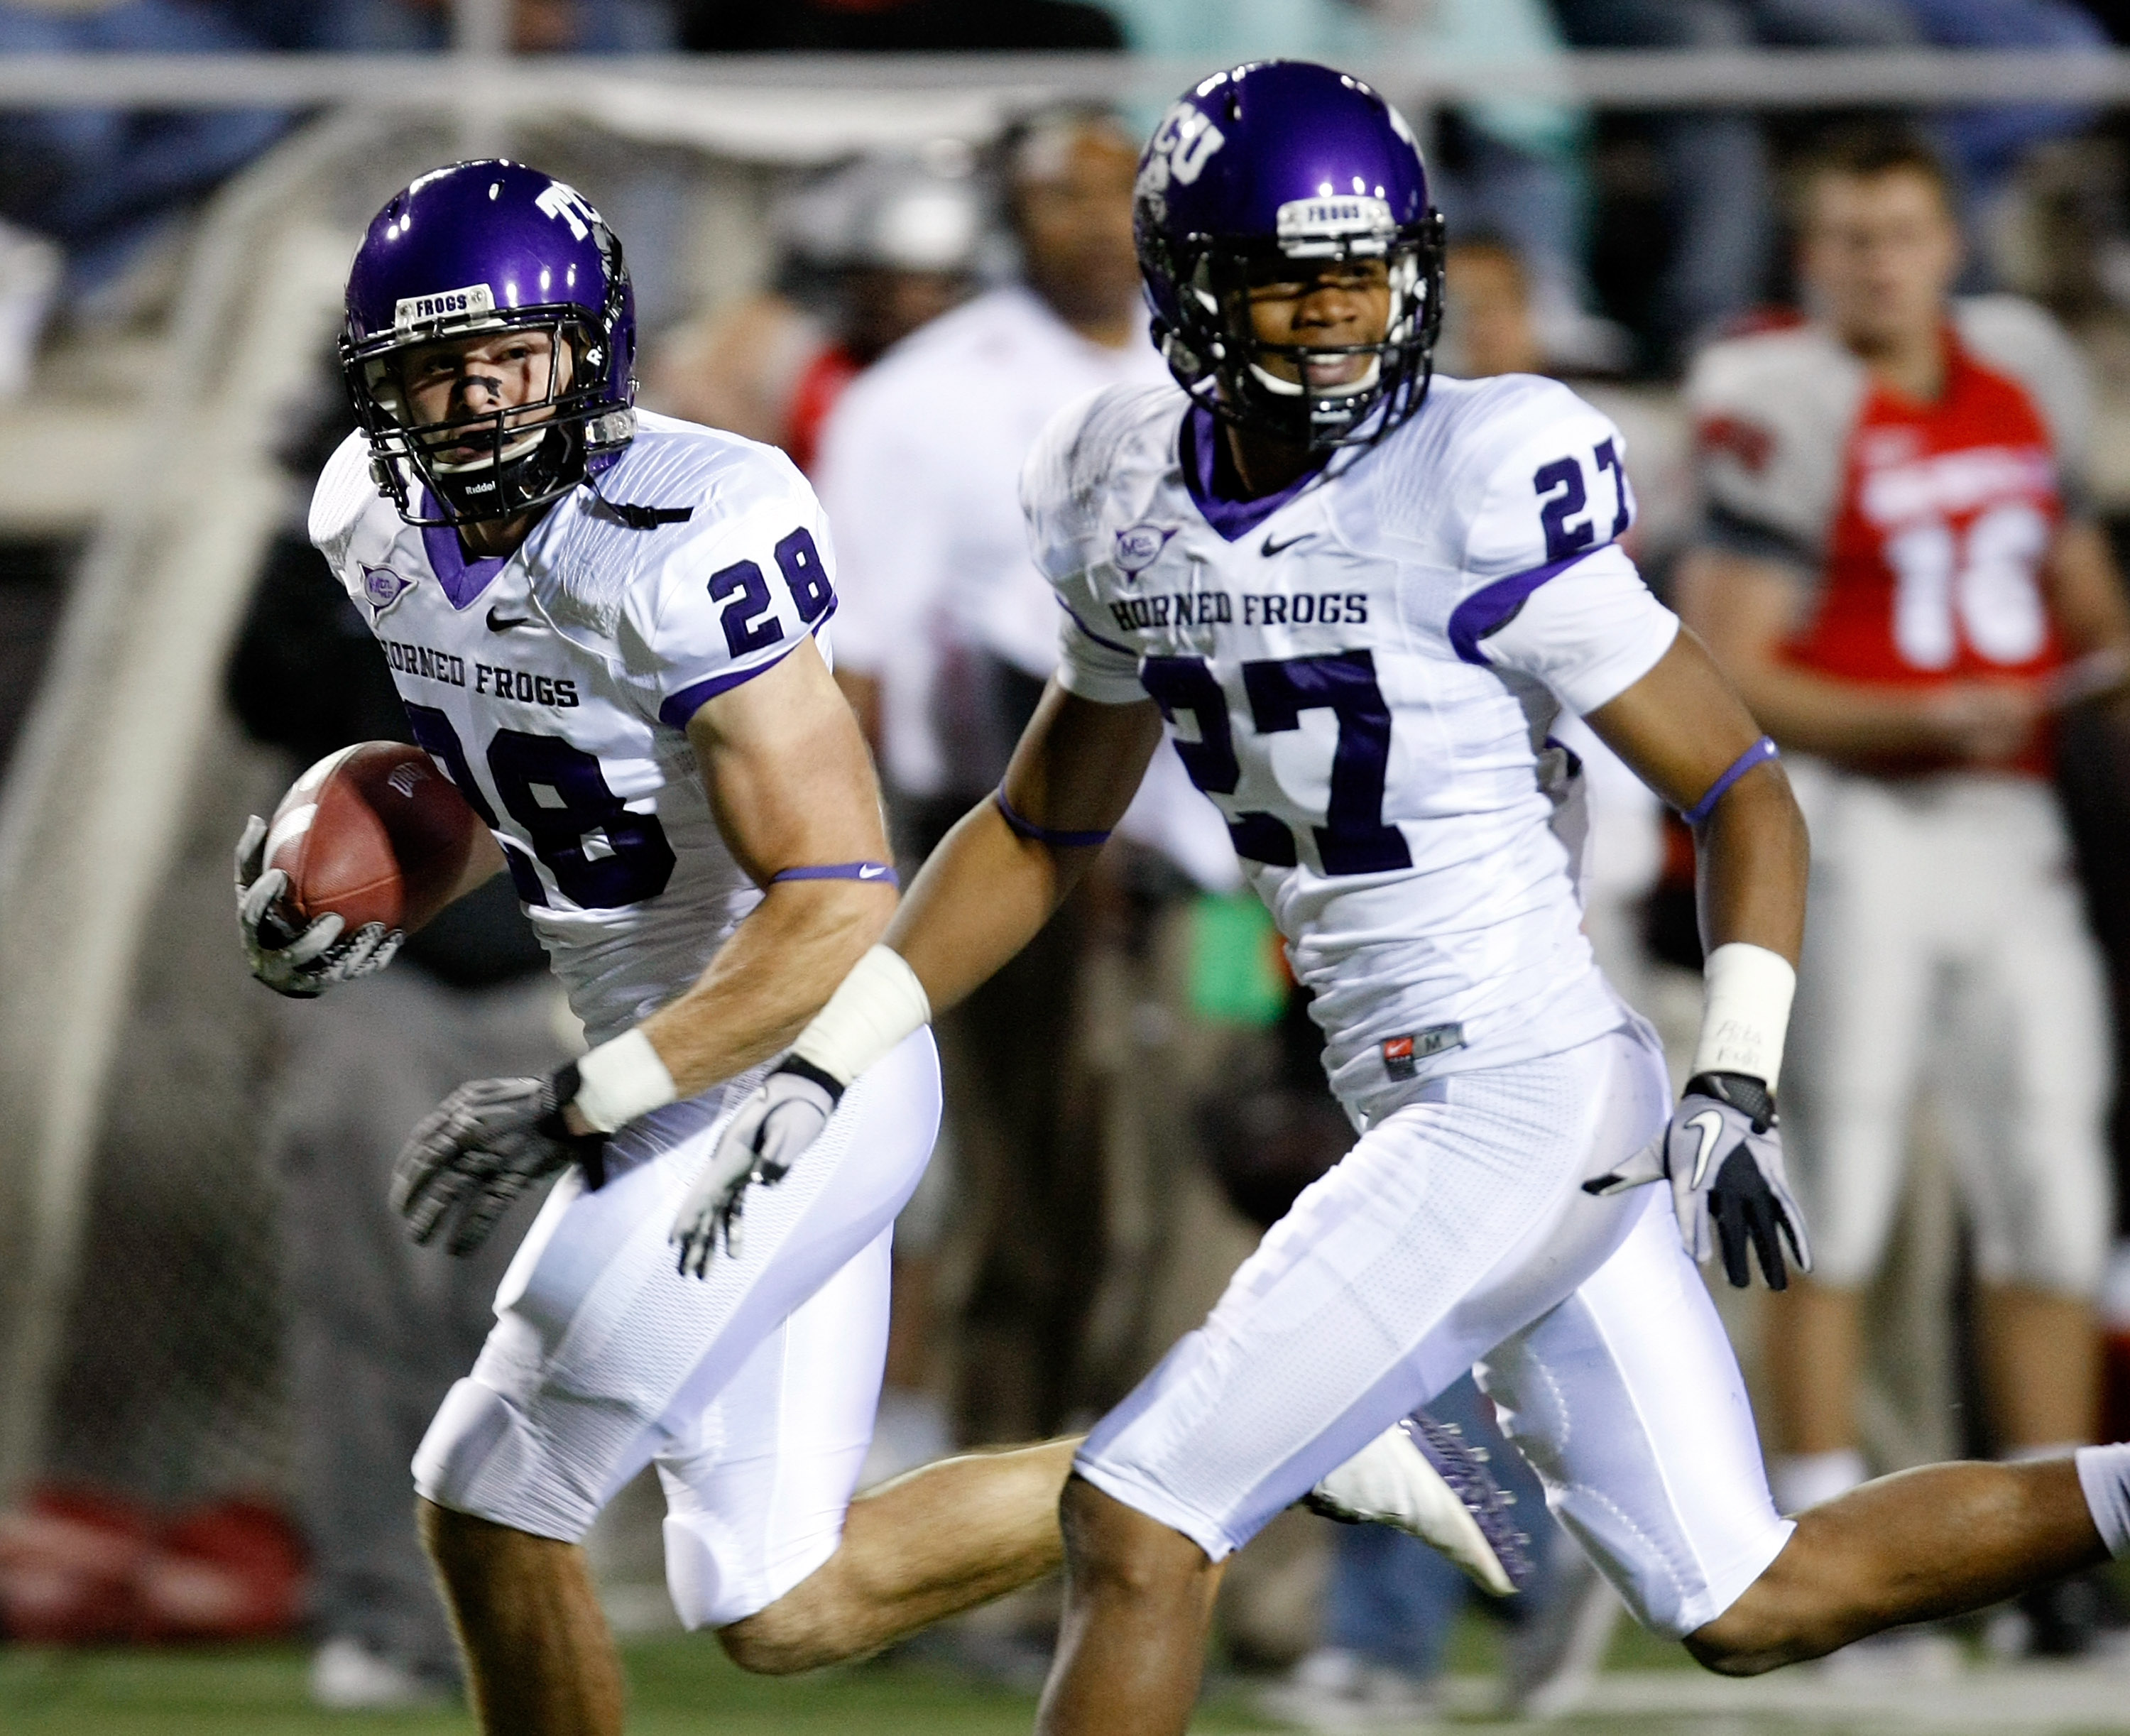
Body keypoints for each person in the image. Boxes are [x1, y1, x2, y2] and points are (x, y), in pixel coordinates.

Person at [674, 62, 2130, 1735]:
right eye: (1294, 279)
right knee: (1747, 1592)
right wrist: (827, 1049)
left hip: (1512, 1087)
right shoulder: (1111, 478)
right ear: (1190, 281)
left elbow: (1743, 786)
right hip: (1435, 1091)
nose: (1336, 321)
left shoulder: (1481, 467)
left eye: (1365, 275)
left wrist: (1737, 1067)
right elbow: (1034, 822)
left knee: (1140, 1516)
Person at [231, 157, 1521, 1735]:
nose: (487, 399)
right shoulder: (368, 512)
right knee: (781, 1602)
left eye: (518, 354)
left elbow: (835, 902)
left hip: (785, 1069)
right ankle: (1282, 1431)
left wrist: (588, 1097)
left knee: (492, 1495)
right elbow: (541, 779)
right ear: (380, 391)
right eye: (440, 369)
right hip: (669, 1056)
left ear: (599, 348)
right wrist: (370, 883)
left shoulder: (689, 527)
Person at [1678, 126, 2130, 1649]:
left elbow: (2076, 583)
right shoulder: (1778, 395)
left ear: (1952, 245)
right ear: (1812, 260)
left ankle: (2041, 1557)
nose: (1881, 264)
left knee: (2053, 1194)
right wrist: (1919, 715)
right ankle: (1803, 1528)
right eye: (1851, 239)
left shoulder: (2019, 365)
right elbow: (1723, 665)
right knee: (1843, 1183)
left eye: (1903, 234)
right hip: (1856, 817)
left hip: (2011, 830)